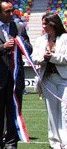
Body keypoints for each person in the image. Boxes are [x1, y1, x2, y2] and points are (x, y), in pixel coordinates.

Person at [0, 0, 31, 149]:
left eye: (12, 10)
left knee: (13, 112)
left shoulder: (19, 27)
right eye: (7, 11)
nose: (11, 13)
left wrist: (22, 45)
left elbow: (29, 48)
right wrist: (3, 47)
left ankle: (11, 143)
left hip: (15, 79)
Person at [32, 12, 67, 149]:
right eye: (43, 23)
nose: (43, 26)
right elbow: (34, 57)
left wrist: (51, 57)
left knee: (65, 110)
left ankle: (65, 141)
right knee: (51, 111)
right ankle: (54, 142)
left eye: (46, 23)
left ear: (54, 23)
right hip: (47, 79)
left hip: (64, 79)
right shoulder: (41, 40)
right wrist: (43, 57)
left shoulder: (65, 38)